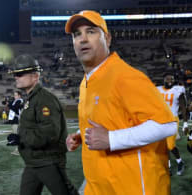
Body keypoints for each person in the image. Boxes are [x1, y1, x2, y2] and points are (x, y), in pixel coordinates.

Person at [65, 10, 177, 195]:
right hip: (102, 185)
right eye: (77, 34)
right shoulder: (87, 81)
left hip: (133, 186)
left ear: (107, 39)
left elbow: (167, 125)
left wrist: (111, 139)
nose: (83, 39)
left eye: (91, 31)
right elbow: (108, 118)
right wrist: (81, 134)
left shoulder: (125, 76)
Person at [7, 54, 78, 195]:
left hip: (48, 161)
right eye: (15, 74)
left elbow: (50, 134)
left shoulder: (44, 99)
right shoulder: (32, 98)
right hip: (33, 161)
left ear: (35, 76)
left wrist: (22, 138)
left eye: (20, 74)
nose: (16, 77)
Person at [157, 73, 187, 176]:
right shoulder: (157, 89)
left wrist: (186, 122)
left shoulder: (178, 90)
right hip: (160, 120)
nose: (170, 80)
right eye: (167, 78)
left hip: (172, 120)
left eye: (172, 79)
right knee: (163, 146)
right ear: (163, 79)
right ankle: (168, 166)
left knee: (170, 145)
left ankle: (180, 162)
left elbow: (183, 106)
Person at [6, 91, 23, 155]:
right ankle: (19, 149)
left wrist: (9, 104)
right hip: (14, 120)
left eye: (16, 95)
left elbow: (14, 108)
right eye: (14, 95)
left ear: (19, 96)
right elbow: (12, 106)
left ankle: (18, 150)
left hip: (17, 120)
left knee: (16, 135)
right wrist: (8, 102)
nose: (14, 96)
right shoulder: (16, 101)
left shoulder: (19, 101)